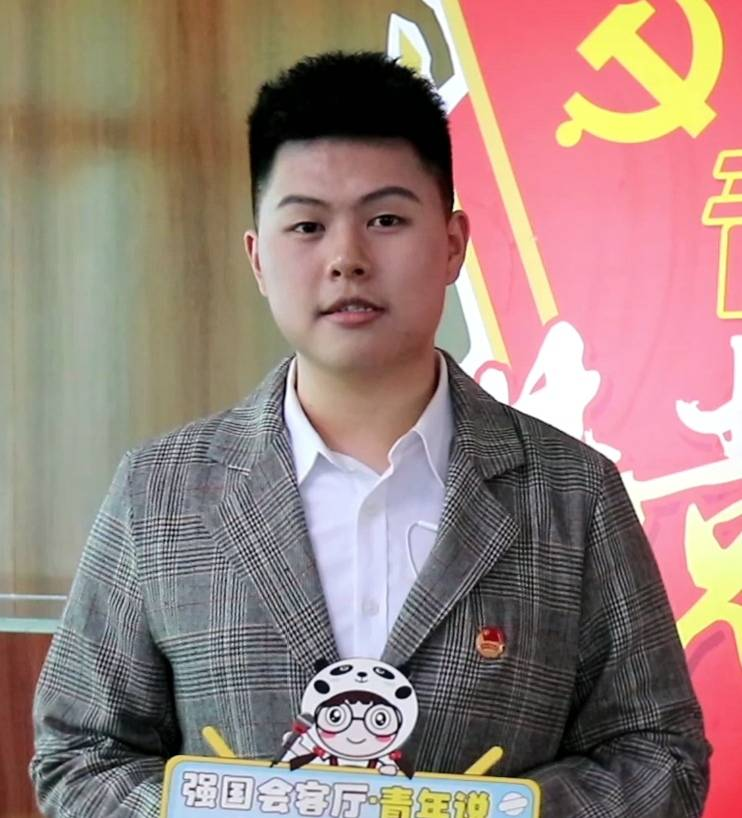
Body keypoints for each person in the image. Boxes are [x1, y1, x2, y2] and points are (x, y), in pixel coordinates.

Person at [31, 51, 710, 818]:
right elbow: (79, 753)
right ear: (258, 257)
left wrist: (488, 814)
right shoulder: (161, 492)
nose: (346, 259)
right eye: (307, 226)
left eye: (385, 220)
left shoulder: (572, 492)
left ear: (452, 243)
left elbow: (660, 754)